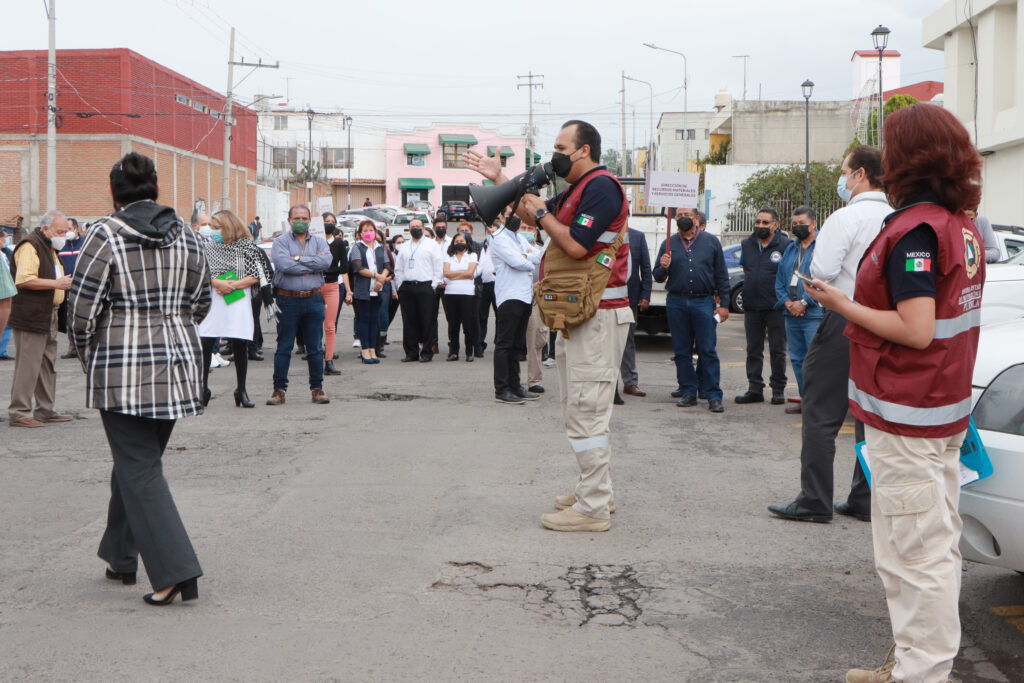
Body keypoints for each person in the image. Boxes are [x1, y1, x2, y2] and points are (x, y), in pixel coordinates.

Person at [804, 104, 985, 683]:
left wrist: (840, 304)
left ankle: (920, 673)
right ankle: (912, 662)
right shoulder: (959, 223)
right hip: (937, 410)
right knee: (925, 547)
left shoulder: (916, 231)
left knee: (916, 555)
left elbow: (916, 329)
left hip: (909, 415)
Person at [468, 119, 632, 532]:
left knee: (587, 412)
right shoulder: (580, 188)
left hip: (597, 318)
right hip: (580, 318)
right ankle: (596, 491)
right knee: (581, 409)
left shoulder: (601, 186)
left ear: (585, 151)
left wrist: (541, 210)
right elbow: (536, 217)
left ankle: (592, 508)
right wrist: (502, 179)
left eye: (561, 147)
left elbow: (574, 244)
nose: (553, 155)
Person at [69, 152, 209, 605]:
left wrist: (91, 354)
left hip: (122, 368)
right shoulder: (187, 235)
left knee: (139, 468)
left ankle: (174, 573)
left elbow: (81, 310)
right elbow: (202, 299)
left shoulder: (105, 234)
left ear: (115, 193)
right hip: (179, 364)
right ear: (156, 189)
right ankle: (120, 556)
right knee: (138, 464)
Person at [768, 145, 891, 524]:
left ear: (860, 175)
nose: (843, 179)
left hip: (845, 317)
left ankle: (815, 500)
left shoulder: (846, 217)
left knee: (820, 411)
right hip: (886, 322)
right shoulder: (896, 217)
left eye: (845, 172)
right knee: (871, 413)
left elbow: (819, 271)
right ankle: (863, 497)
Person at [653, 215, 731, 412]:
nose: (682, 218)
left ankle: (713, 395)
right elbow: (658, 276)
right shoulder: (668, 243)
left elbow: (721, 274)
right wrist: (663, 266)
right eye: (678, 215)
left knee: (707, 349)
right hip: (676, 301)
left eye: (686, 214)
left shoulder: (711, 242)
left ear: (696, 218)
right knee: (681, 350)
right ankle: (688, 391)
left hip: (703, 301)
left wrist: (724, 304)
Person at [6, 209, 74, 428]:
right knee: (28, 364)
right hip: (31, 314)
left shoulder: (48, 246)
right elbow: (24, 279)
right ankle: (19, 411)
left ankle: (45, 409)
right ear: (45, 229)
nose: (63, 236)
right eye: (60, 231)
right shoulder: (30, 246)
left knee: (47, 363)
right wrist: (57, 284)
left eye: (66, 231)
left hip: (48, 313)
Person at [198, 209, 270, 409]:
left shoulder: (248, 248)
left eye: (216, 227)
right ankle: (202, 389)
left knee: (240, 344)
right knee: (205, 341)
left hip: (237, 299)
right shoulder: (207, 248)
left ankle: (242, 389)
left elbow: (258, 275)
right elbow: (199, 273)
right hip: (214, 298)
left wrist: (233, 285)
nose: (212, 231)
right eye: (211, 227)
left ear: (229, 227)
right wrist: (217, 283)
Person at [267, 204, 332, 405]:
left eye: (304, 218)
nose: (301, 222)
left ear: (310, 220)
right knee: (284, 346)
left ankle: (317, 389)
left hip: (313, 299)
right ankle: (279, 390)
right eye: (297, 218)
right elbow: (283, 265)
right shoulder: (280, 242)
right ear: (289, 221)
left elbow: (326, 263)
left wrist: (297, 259)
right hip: (288, 299)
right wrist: (311, 262)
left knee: (315, 347)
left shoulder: (320, 242)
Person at [736, 208, 790, 405]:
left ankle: (778, 389)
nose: (760, 225)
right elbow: (746, 269)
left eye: (765, 222)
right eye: (758, 221)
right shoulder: (747, 243)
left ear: (775, 225)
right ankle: (755, 388)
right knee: (753, 349)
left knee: (777, 350)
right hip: (752, 305)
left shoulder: (785, 245)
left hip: (776, 306)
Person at [484, 212, 536, 404]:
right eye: (510, 214)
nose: (515, 218)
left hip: (524, 296)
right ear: (502, 217)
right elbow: (517, 262)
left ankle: (515, 386)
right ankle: (502, 389)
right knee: (505, 344)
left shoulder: (519, 238)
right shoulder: (499, 238)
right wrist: (524, 258)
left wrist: (524, 257)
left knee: (517, 345)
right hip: (509, 297)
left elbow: (535, 257)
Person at [774, 206, 822, 414]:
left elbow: (824, 279)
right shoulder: (791, 248)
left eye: (802, 223)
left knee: (815, 360)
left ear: (813, 223)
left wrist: (804, 302)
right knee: (796, 358)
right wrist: (787, 303)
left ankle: (818, 405)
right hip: (790, 313)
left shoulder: (823, 247)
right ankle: (805, 400)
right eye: (794, 224)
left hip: (813, 313)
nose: (797, 227)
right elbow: (779, 281)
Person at [394, 218, 442, 362]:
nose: (415, 228)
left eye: (418, 226)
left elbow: (438, 266)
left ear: (423, 228)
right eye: (412, 226)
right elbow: (399, 268)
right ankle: (411, 353)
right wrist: (400, 286)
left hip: (425, 286)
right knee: (409, 321)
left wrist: (433, 286)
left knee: (427, 321)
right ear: (409, 229)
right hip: (407, 287)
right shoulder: (404, 246)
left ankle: (427, 352)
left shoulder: (431, 245)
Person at [348, 219, 390, 364]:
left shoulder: (380, 247)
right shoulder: (357, 247)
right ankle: (365, 349)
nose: (368, 233)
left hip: (378, 290)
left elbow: (387, 265)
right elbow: (358, 268)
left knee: (374, 320)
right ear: (360, 234)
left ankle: (373, 348)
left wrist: (381, 279)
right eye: (365, 230)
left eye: (371, 230)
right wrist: (375, 276)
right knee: (364, 319)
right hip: (363, 290)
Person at [620, 225, 652, 398]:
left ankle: (630, 383)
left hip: (629, 298)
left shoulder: (638, 237)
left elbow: (646, 269)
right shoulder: (601, 232)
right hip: (605, 298)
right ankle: (607, 383)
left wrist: (645, 295)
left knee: (628, 340)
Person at [322, 219, 353, 375]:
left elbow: (345, 267)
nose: (328, 224)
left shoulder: (339, 244)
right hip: (314, 286)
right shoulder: (315, 242)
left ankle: (329, 359)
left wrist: (327, 271)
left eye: (330, 221)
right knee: (313, 324)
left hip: (332, 286)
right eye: (325, 221)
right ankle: (315, 356)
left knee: (330, 326)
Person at [442, 230, 479, 362]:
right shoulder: (449, 256)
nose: (459, 243)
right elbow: (446, 273)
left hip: (467, 294)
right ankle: (453, 352)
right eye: (457, 241)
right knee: (453, 325)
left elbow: (470, 273)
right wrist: (462, 273)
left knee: (468, 325)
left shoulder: (472, 255)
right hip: (450, 293)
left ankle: (469, 352)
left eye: (461, 241)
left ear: (467, 242)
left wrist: (454, 274)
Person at [520, 220, 548, 392]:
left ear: (536, 233)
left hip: (535, 301)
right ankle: (511, 380)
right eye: (523, 228)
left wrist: (536, 287)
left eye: (530, 229)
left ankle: (534, 380)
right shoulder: (510, 251)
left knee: (536, 341)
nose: (527, 231)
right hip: (515, 300)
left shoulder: (541, 255)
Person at [57, 218, 85, 358]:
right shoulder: (61, 245)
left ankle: (86, 348)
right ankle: (73, 349)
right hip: (66, 286)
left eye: (68, 229)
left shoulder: (85, 243)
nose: (66, 232)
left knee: (84, 317)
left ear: (76, 229)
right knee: (69, 318)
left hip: (83, 286)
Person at [474, 221, 500, 357]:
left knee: (500, 316)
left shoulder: (502, 247)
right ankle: (479, 344)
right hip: (483, 286)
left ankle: (499, 343)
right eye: (489, 232)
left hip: (498, 285)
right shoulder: (479, 247)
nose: (491, 234)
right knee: (481, 316)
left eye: (494, 232)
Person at [427, 217, 452, 355]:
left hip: (448, 284)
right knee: (431, 316)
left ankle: (452, 344)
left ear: (446, 228)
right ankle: (433, 344)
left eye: (443, 227)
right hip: (433, 284)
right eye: (438, 227)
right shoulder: (429, 243)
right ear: (434, 228)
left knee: (451, 317)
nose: (440, 229)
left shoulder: (452, 242)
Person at [1, 228, 17, 360]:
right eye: (3, 237)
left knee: (7, 324)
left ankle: (2, 350)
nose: (5, 240)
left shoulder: (6, 254)